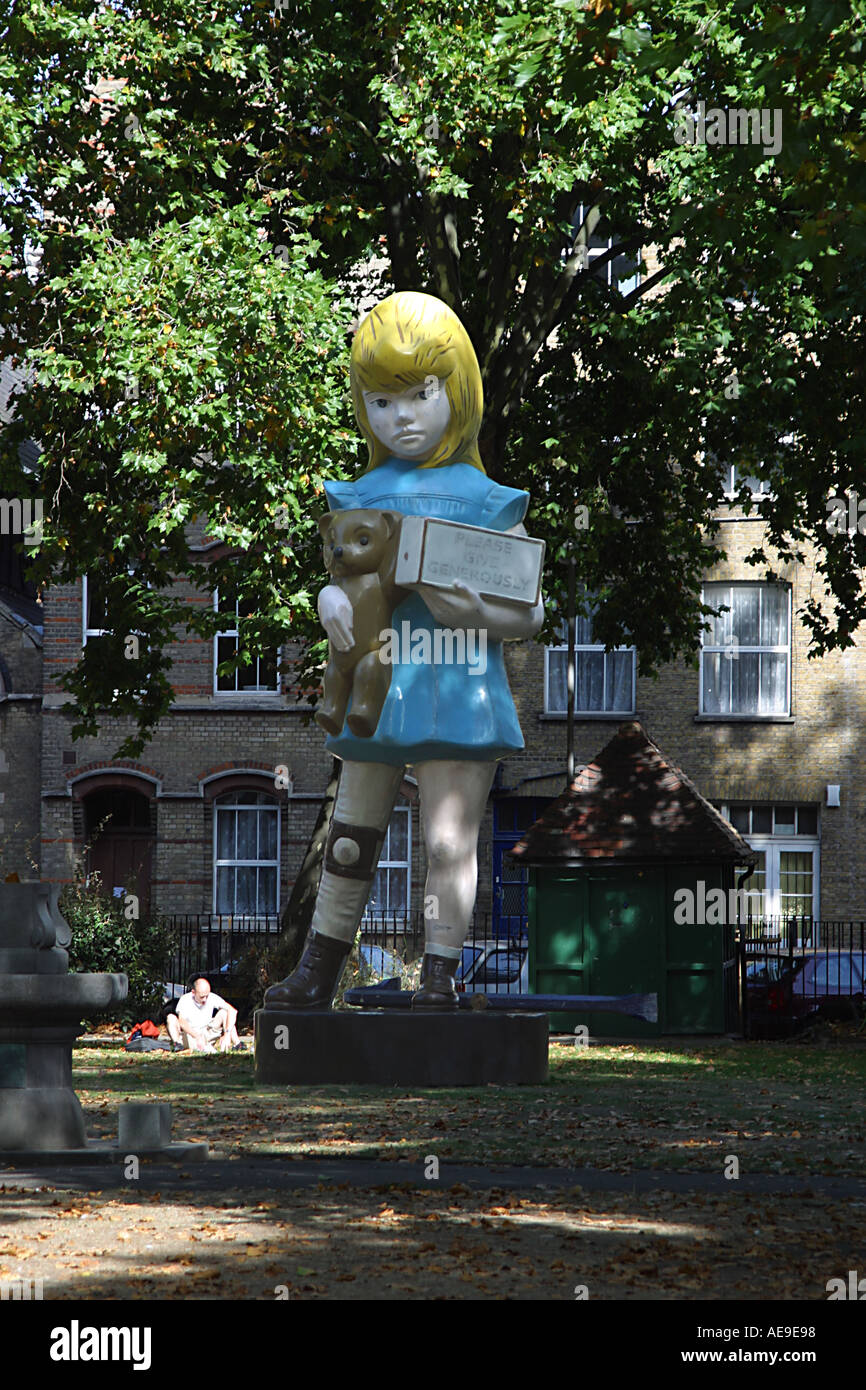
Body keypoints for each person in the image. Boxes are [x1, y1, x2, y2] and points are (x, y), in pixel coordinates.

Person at [264, 291, 544, 1012]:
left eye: (421, 394)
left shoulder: (486, 498)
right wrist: (329, 603)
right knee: (351, 835)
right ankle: (318, 968)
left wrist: (470, 607)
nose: (404, 416)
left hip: (457, 684)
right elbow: (342, 581)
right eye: (383, 401)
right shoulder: (362, 491)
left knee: (449, 842)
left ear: (457, 391)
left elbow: (529, 609)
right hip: (378, 685)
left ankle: (440, 978)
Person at [166, 976, 245, 1052]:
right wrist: (197, 1036)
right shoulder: (185, 999)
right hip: (190, 1036)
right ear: (193, 992)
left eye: (207, 996)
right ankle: (178, 1045)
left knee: (224, 1012)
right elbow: (182, 1022)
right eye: (202, 997)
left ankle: (237, 1044)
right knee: (171, 1017)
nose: (205, 999)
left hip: (207, 1034)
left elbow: (233, 1011)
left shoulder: (211, 997)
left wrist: (227, 1035)